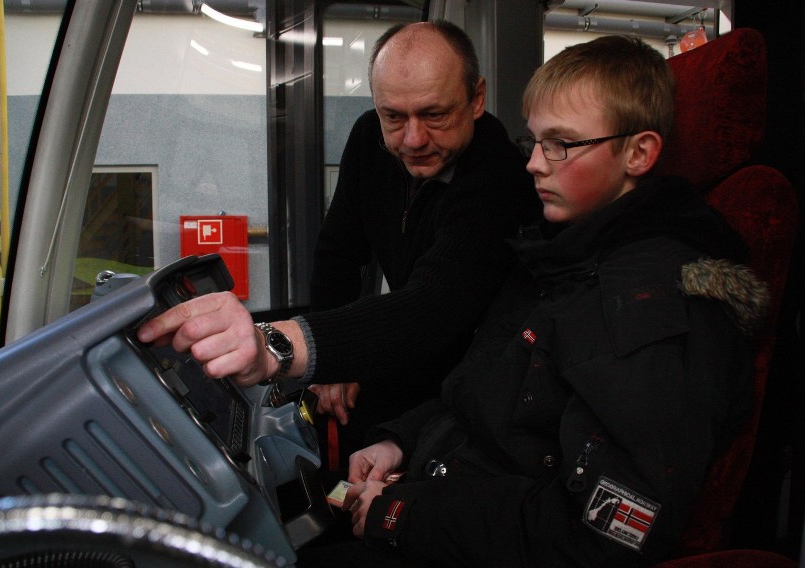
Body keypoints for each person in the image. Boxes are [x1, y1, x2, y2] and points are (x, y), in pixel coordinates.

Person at [300, 35, 769, 567]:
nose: (533, 166)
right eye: (536, 142)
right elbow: (479, 391)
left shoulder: (646, 310)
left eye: (562, 145)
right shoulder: (555, 259)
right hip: (445, 491)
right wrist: (400, 443)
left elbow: (602, 534)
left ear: (638, 152)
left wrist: (402, 514)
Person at [135, 21, 540, 467]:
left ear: (477, 98)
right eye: (394, 116)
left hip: (478, 373)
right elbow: (338, 257)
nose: (413, 139)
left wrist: (280, 348)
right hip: (412, 346)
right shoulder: (370, 139)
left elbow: (434, 307)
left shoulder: (502, 178)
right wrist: (331, 369)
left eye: (434, 115)